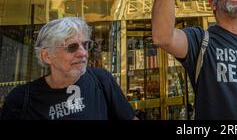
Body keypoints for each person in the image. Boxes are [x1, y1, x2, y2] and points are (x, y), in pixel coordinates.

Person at [1, 17, 137, 120]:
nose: (83, 53)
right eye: (72, 47)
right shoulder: (20, 99)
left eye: (85, 45)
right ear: (47, 56)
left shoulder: (101, 81)